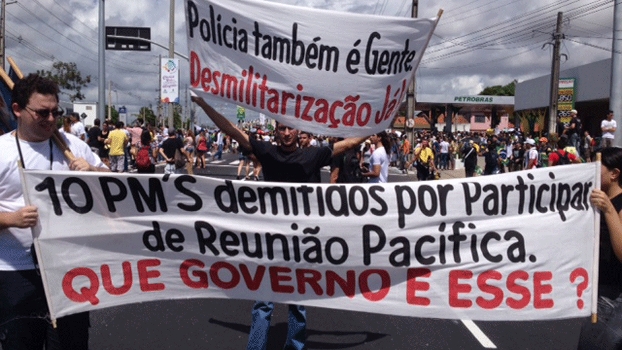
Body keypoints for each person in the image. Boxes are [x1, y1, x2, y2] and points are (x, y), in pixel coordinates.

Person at [191, 94, 367, 350]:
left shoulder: (313, 155)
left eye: (290, 128)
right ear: (276, 131)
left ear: (299, 130)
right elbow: (231, 129)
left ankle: (294, 346)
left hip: (302, 242)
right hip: (270, 240)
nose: (286, 133)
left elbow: (349, 143)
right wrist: (204, 104)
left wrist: (381, 123)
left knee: (298, 301)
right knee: (263, 301)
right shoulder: (267, 152)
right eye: (282, 128)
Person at [0, 73, 109, 349]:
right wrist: (11, 219)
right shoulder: (2, 151)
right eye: (42, 113)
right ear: (17, 110)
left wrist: (94, 171)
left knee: (71, 343)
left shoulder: (73, 147)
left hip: (69, 268)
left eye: (55, 112)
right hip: (16, 273)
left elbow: (119, 189)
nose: (51, 120)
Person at [578, 147, 622, 349]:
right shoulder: (594, 201)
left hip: (614, 294)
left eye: (597, 167)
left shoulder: (616, 205)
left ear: (614, 174)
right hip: (594, 289)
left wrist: (609, 210)